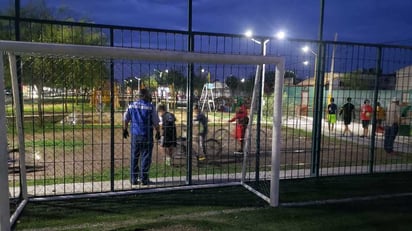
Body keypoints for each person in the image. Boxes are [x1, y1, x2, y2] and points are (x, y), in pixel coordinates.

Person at [123, 88, 160, 186]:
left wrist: (125, 129)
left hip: (135, 134)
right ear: (146, 96)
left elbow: (126, 118)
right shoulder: (151, 107)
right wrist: (158, 132)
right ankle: (144, 179)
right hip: (147, 134)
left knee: (134, 156)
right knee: (146, 157)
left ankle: (133, 178)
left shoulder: (131, 106)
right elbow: (156, 121)